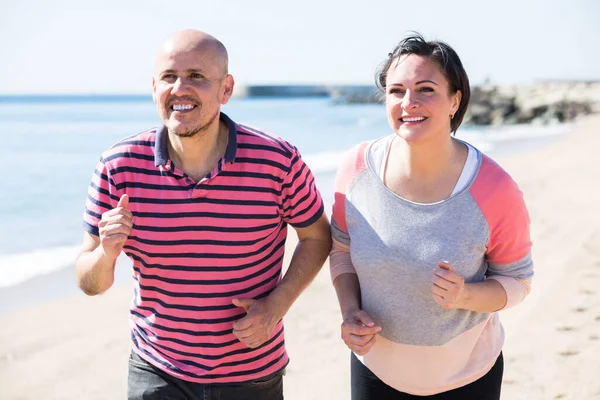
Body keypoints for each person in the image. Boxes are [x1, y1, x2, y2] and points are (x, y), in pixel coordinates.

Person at [75, 29, 331, 400]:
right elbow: (89, 282)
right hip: (157, 370)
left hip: (252, 371)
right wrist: (106, 254)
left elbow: (317, 237)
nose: (180, 88)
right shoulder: (119, 165)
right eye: (169, 77)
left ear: (226, 90)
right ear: (153, 88)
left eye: (196, 76)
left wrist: (277, 305)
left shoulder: (277, 161)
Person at [329, 33, 533, 399]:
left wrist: (464, 296)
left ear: (455, 100)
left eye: (425, 89)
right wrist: (350, 312)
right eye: (396, 91)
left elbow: (518, 282)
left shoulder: (494, 188)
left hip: (468, 378)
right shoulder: (356, 169)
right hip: (374, 371)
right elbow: (341, 250)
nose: (409, 103)